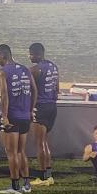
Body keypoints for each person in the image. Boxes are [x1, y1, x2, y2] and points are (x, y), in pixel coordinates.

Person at [0, 44, 36, 194]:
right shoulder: (25, 69)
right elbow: (34, 91)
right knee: (21, 151)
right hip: (24, 117)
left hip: (11, 117)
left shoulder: (2, 71)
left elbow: (4, 95)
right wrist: (30, 110)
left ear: (3, 55)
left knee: (11, 152)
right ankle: (27, 185)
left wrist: (4, 117)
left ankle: (15, 187)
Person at [28, 43, 59, 186]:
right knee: (45, 142)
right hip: (52, 107)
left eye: (31, 54)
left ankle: (42, 177)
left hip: (40, 107)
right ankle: (48, 176)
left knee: (39, 143)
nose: (30, 57)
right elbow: (57, 90)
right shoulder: (54, 67)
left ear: (37, 54)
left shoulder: (35, 69)